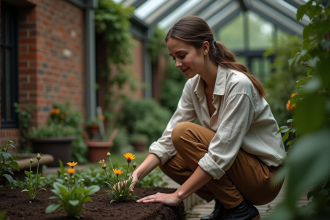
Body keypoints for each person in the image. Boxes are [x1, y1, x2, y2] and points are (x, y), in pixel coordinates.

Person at [131, 16, 286, 220]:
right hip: (236, 167)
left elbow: (221, 152)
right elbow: (167, 140)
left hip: (265, 178)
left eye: (181, 55)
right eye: (173, 57)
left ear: (204, 48)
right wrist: (135, 176)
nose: (177, 64)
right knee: (168, 159)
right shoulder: (193, 86)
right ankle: (230, 205)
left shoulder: (239, 85)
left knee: (183, 134)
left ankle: (240, 211)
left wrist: (178, 195)